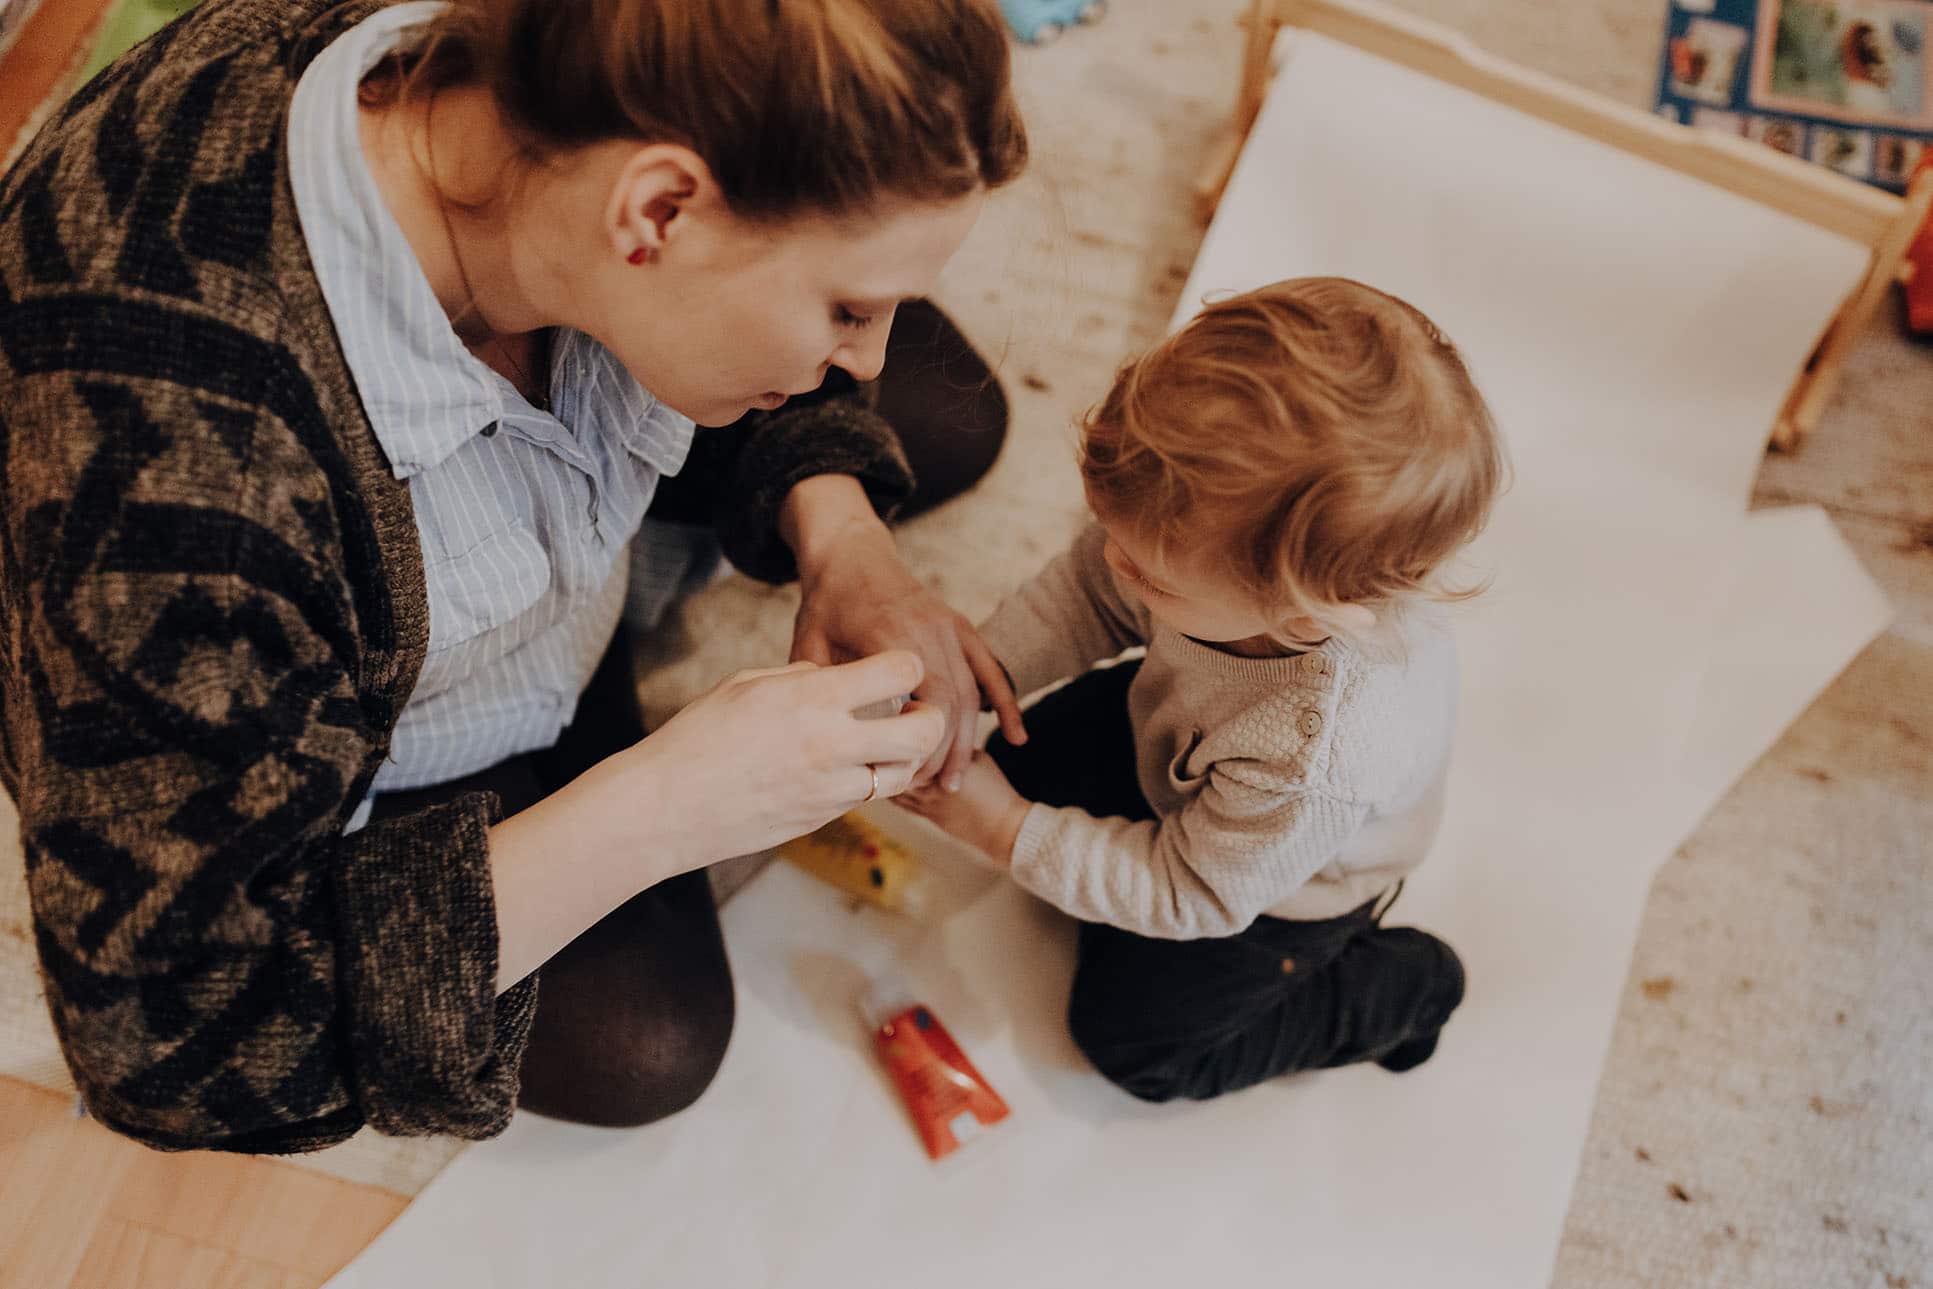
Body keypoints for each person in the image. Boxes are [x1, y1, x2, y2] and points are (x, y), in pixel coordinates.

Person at [0, 0, 1030, 1151]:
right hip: (403, 720)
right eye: (848, 307)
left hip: (520, 556)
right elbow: (181, 1043)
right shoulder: (190, 494)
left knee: (939, 406)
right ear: (658, 209)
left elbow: (828, 382)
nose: (867, 349)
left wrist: (839, 527)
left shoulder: (547, 86)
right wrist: (668, 803)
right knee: (648, 1043)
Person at [900, 278, 1507, 1102]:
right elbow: (1089, 592)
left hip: (1276, 889)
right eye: (1112, 533)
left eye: (1147, 572)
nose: (1112, 560)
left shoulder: (1314, 752)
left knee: (1134, 1043)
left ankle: (1396, 987)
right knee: (1016, 754)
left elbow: (1194, 893)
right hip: (1185, 745)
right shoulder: (1189, 538)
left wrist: (1006, 830)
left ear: (1298, 618)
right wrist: (982, 678)